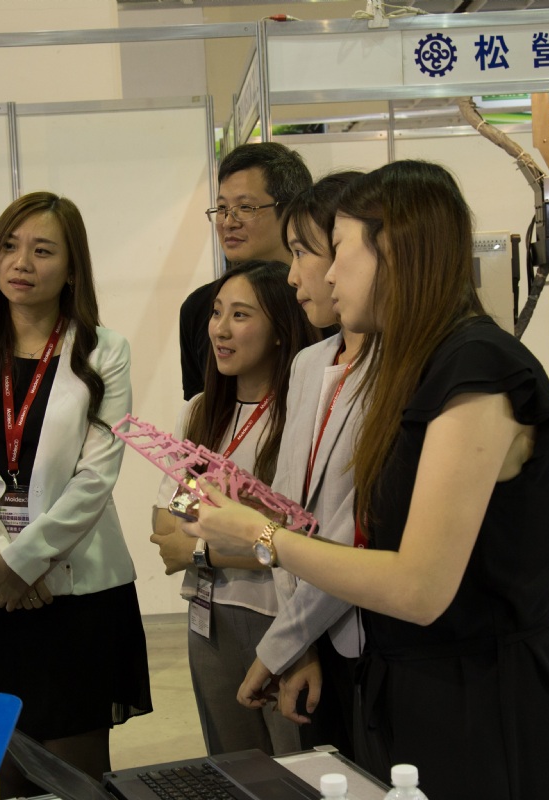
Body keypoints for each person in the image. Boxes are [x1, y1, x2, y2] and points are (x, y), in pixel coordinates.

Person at [184, 161, 549, 800]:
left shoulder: (476, 369)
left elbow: (420, 587)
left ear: (392, 248)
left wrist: (262, 536)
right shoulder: (417, 368)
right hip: (404, 685)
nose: (325, 275)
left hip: (477, 703)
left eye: (337, 250)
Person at [0, 192, 151, 792]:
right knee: (3, 766)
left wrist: (26, 560)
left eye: (42, 250)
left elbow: (97, 474)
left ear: (72, 268)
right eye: (9, 246)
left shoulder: (104, 349)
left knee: (74, 778)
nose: (21, 262)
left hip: (72, 590)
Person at [151, 260, 318, 756]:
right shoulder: (200, 411)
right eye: (217, 312)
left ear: (280, 330)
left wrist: (201, 550)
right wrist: (242, 533)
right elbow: (167, 523)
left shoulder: (301, 416)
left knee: (296, 765)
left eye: (241, 315)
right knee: (232, 766)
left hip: (283, 617)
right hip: (209, 616)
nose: (220, 329)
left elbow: (298, 542)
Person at [235, 172, 368, 759]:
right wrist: (299, 645)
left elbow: (349, 531)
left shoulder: (399, 372)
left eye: (303, 252)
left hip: (368, 633)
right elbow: (288, 511)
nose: (293, 275)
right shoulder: (310, 364)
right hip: (307, 635)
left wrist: (284, 642)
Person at [180, 142, 313, 399]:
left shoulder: (318, 302)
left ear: (289, 210)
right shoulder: (198, 309)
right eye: (222, 209)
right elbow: (198, 408)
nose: (229, 222)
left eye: (245, 208)